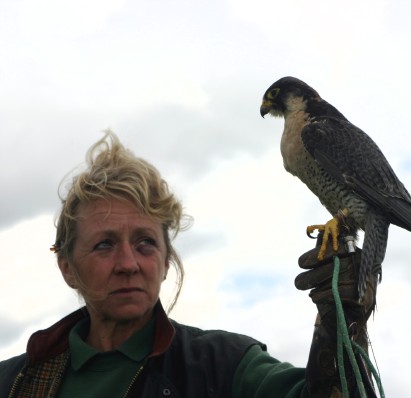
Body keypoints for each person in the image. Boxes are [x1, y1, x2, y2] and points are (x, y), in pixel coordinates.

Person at [0, 131, 377, 398]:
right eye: (104, 245)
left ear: (166, 260)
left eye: (146, 243)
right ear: (67, 267)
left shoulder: (223, 367)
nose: (128, 263)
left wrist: (342, 320)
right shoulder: (14, 382)